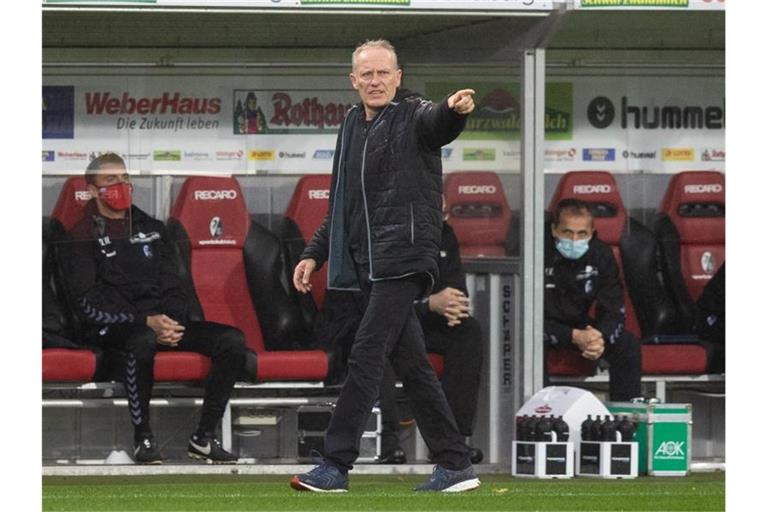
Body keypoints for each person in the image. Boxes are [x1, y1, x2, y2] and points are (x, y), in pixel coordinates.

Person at [290, 39, 479, 493]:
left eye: (383, 74)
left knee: (366, 353)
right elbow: (342, 202)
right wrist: (314, 252)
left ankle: (335, 464)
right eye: (366, 75)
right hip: (366, 264)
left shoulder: (414, 114)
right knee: (412, 364)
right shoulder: (352, 123)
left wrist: (455, 111)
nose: (375, 82)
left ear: (398, 77)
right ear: (353, 81)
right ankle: (454, 462)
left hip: (403, 257)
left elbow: (438, 124)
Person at [56, 153, 246, 464]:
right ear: (92, 190)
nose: (121, 185)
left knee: (232, 341)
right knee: (141, 339)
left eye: (124, 178)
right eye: (110, 180)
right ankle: (143, 437)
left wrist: (170, 322)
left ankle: (203, 438)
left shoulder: (153, 227)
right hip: (114, 328)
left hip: (163, 323)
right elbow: (86, 303)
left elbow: (174, 284)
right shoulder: (79, 235)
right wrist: (146, 322)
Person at [377, 220, 484, 465]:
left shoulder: (445, 233)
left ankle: (452, 441)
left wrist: (452, 306)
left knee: (468, 332)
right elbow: (380, 298)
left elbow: (457, 288)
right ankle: (387, 440)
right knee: (380, 340)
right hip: (388, 321)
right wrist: (428, 304)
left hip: (426, 323)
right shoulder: (386, 231)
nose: (440, 214)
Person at [544, 198, 641, 401]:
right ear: (554, 230)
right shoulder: (537, 251)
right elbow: (524, 315)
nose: (574, 240)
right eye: (567, 232)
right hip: (541, 328)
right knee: (528, 345)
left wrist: (599, 337)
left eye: (582, 234)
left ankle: (625, 423)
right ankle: (539, 419)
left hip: (581, 328)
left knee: (627, 344)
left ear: (592, 232)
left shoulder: (601, 254)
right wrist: (571, 335)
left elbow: (614, 309)